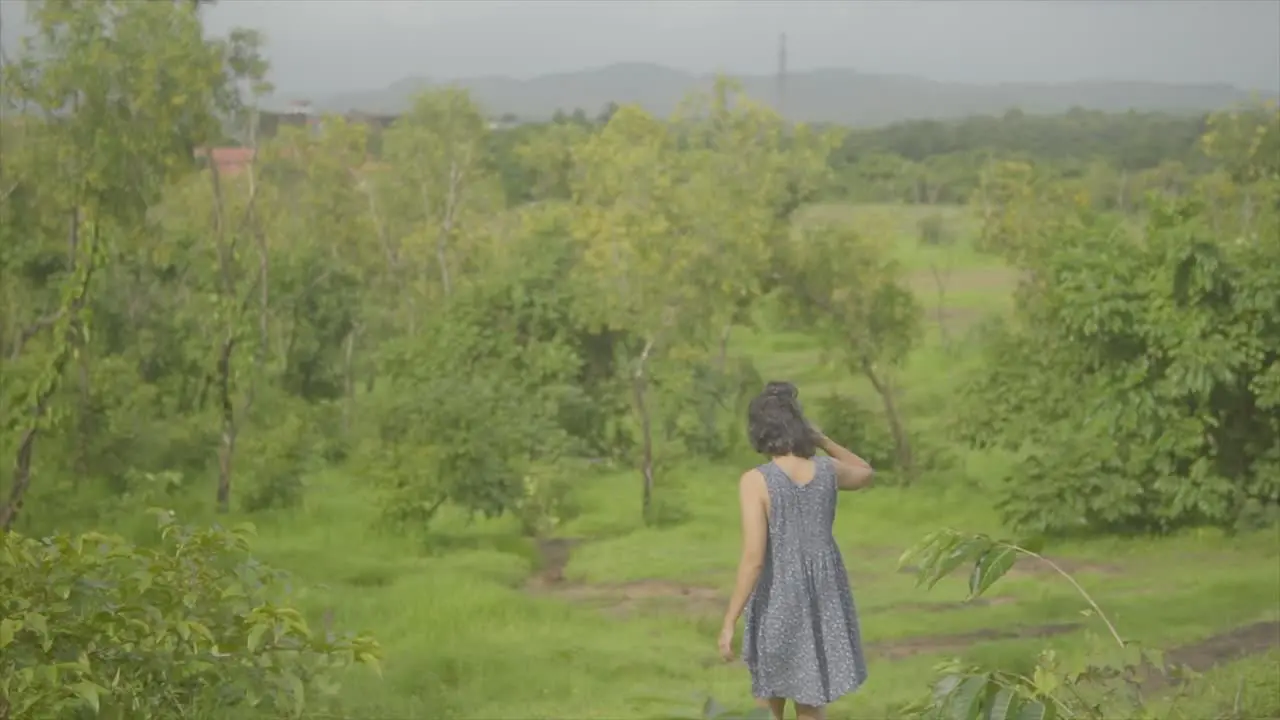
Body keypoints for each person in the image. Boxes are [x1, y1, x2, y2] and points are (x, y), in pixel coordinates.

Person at [717, 381, 874, 720]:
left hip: (778, 597)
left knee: (770, 699)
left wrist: (730, 619)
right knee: (810, 701)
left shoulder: (756, 481)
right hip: (823, 595)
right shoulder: (827, 471)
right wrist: (823, 440)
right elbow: (865, 472)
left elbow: (754, 559)